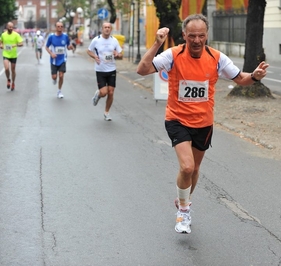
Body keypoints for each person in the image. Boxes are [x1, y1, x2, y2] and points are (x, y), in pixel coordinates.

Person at [137, 14, 269, 234]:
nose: (196, 41)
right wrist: (158, 43)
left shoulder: (217, 58)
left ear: (207, 35)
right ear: (184, 36)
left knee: (195, 169)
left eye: (201, 36)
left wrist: (254, 76)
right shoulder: (173, 55)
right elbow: (142, 69)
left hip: (203, 123)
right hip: (177, 119)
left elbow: (240, 79)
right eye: (192, 36)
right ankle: (184, 211)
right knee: (187, 166)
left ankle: (183, 200)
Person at [87, 22, 123, 121]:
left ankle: (106, 112)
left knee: (111, 93)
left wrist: (117, 54)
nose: (107, 29)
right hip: (100, 70)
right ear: (102, 29)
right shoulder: (96, 40)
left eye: (109, 27)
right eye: (105, 27)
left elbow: (120, 55)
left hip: (111, 69)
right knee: (104, 92)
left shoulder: (114, 41)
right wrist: (94, 56)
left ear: (110, 29)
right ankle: (98, 95)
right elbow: (89, 50)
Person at [45, 22, 74, 98]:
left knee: (61, 76)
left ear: (63, 27)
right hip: (54, 60)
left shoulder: (65, 36)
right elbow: (46, 47)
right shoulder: (51, 37)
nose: (60, 27)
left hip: (62, 59)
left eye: (61, 26)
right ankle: (54, 79)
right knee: (54, 77)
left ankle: (59, 91)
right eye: (58, 26)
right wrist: (51, 54)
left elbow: (68, 46)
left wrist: (70, 47)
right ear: (55, 27)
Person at [0, 22, 24, 91]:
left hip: (13, 55)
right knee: (7, 68)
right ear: (7, 27)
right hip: (6, 54)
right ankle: (8, 79)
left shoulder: (16, 35)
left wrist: (16, 45)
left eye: (12, 27)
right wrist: (1, 45)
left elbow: (21, 43)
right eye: (10, 27)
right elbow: (1, 42)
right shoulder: (3, 35)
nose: (11, 28)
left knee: (13, 70)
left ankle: (13, 82)